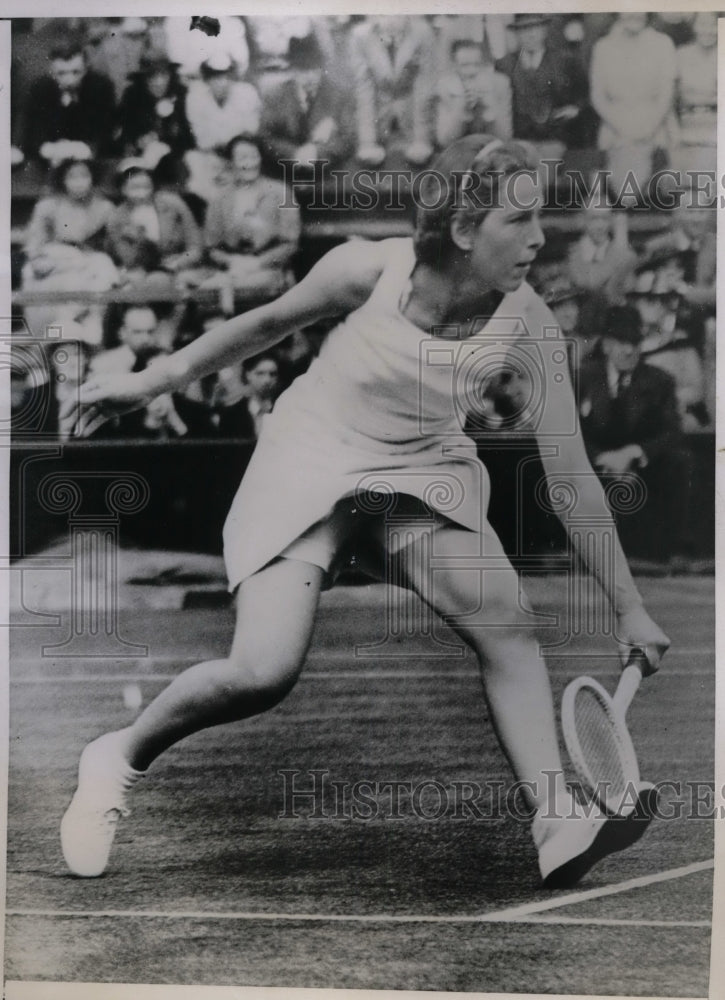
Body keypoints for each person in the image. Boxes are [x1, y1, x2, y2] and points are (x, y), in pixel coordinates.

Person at [60, 135, 669, 888]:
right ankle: (116, 757)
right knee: (262, 672)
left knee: (505, 619)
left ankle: (554, 820)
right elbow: (263, 325)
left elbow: (570, 474)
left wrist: (628, 607)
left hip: (419, 467)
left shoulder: (530, 322)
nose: (540, 239)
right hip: (311, 455)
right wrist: (154, 378)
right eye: (519, 221)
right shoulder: (361, 269)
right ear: (463, 229)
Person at [577, 305, 693, 564]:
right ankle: (570, 549)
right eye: (621, 342)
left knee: (680, 461)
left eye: (634, 342)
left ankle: (673, 551)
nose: (629, 350)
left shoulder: (660, 381)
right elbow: (570, 429)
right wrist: (602, 458)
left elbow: (672, 431)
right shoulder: (583, 377)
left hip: (641, 462)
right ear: (606, 345)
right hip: (595, 461)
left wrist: (634, 454)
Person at [203, 134, 301, 297]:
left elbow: (290, 244)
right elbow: (212, 247)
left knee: (243, 290)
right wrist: (233, 262)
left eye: (254, 157)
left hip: (271, 270)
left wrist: (257, 263)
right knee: (211, 292)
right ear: (231, 162)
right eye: (242, 158)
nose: (249, 164)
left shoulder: (280, 192)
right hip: (232, 270)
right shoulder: (219, 197)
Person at [19, 36, 117, 161]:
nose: (69, 80)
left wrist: (85, 148)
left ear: (86, 68)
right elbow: (32, 132)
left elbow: (105, 131)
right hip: (51, 156)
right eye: (61, 73)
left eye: (76, 72)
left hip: (90, 156)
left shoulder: (101, 87)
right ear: (51, 70)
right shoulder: (40, 89)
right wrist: (47, 148)